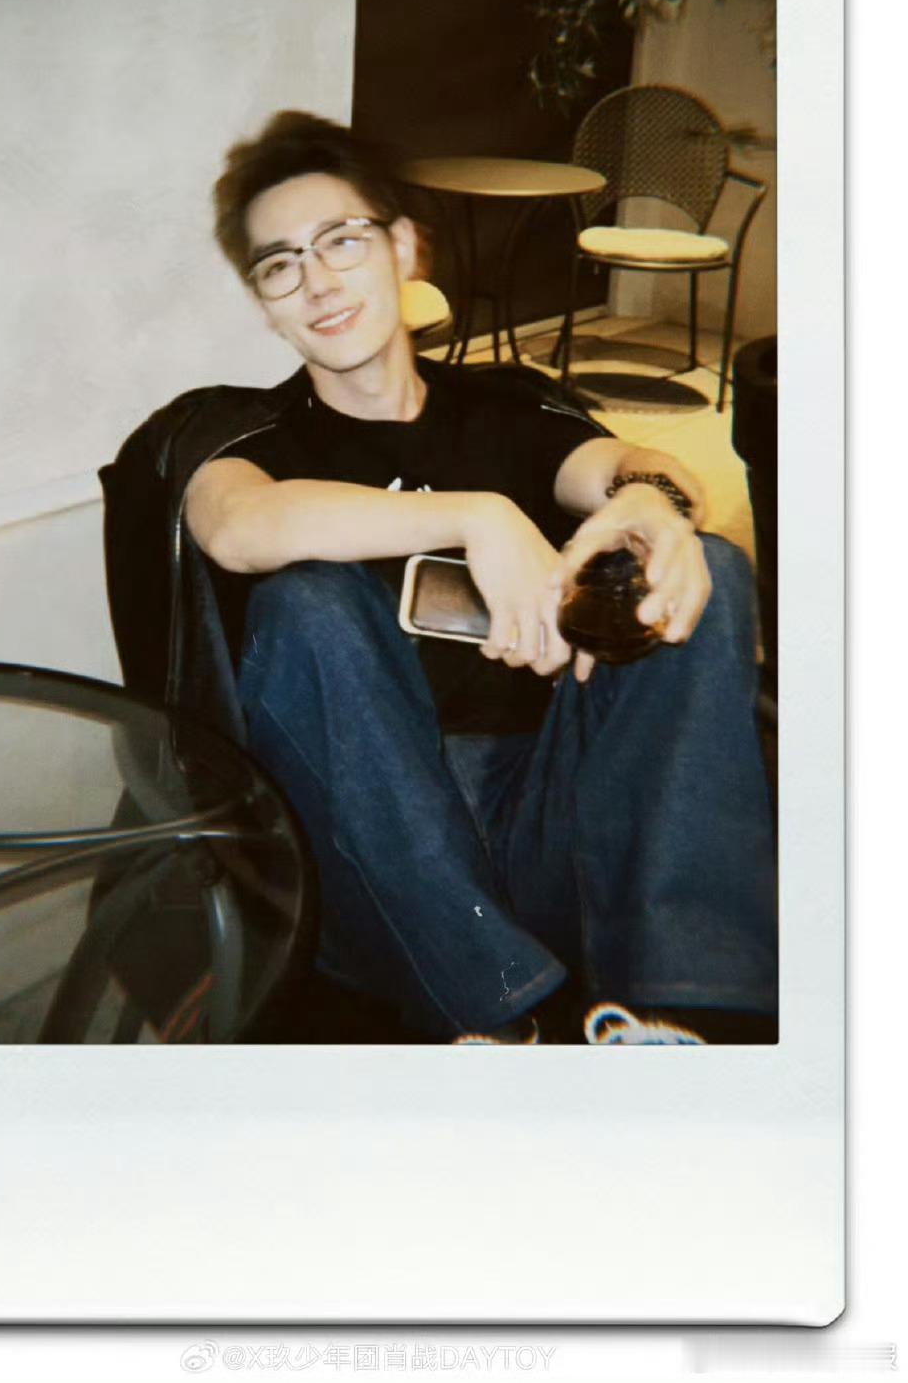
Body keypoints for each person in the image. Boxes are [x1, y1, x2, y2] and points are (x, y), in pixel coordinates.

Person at [176, 110, 777, 1045]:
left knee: (706, 566)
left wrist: (653, 504)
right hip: (370, 846)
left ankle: (678, 1014)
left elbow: (635, 468)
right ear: (264, 302)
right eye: (280, 264)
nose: (318, 280)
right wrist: (476, 516)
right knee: (309, 600)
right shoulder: (239, 428)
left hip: (550, 807)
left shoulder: (505, 403)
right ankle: (501, 1019)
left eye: (342, 240)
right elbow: (237, 528)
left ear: (404, 248)